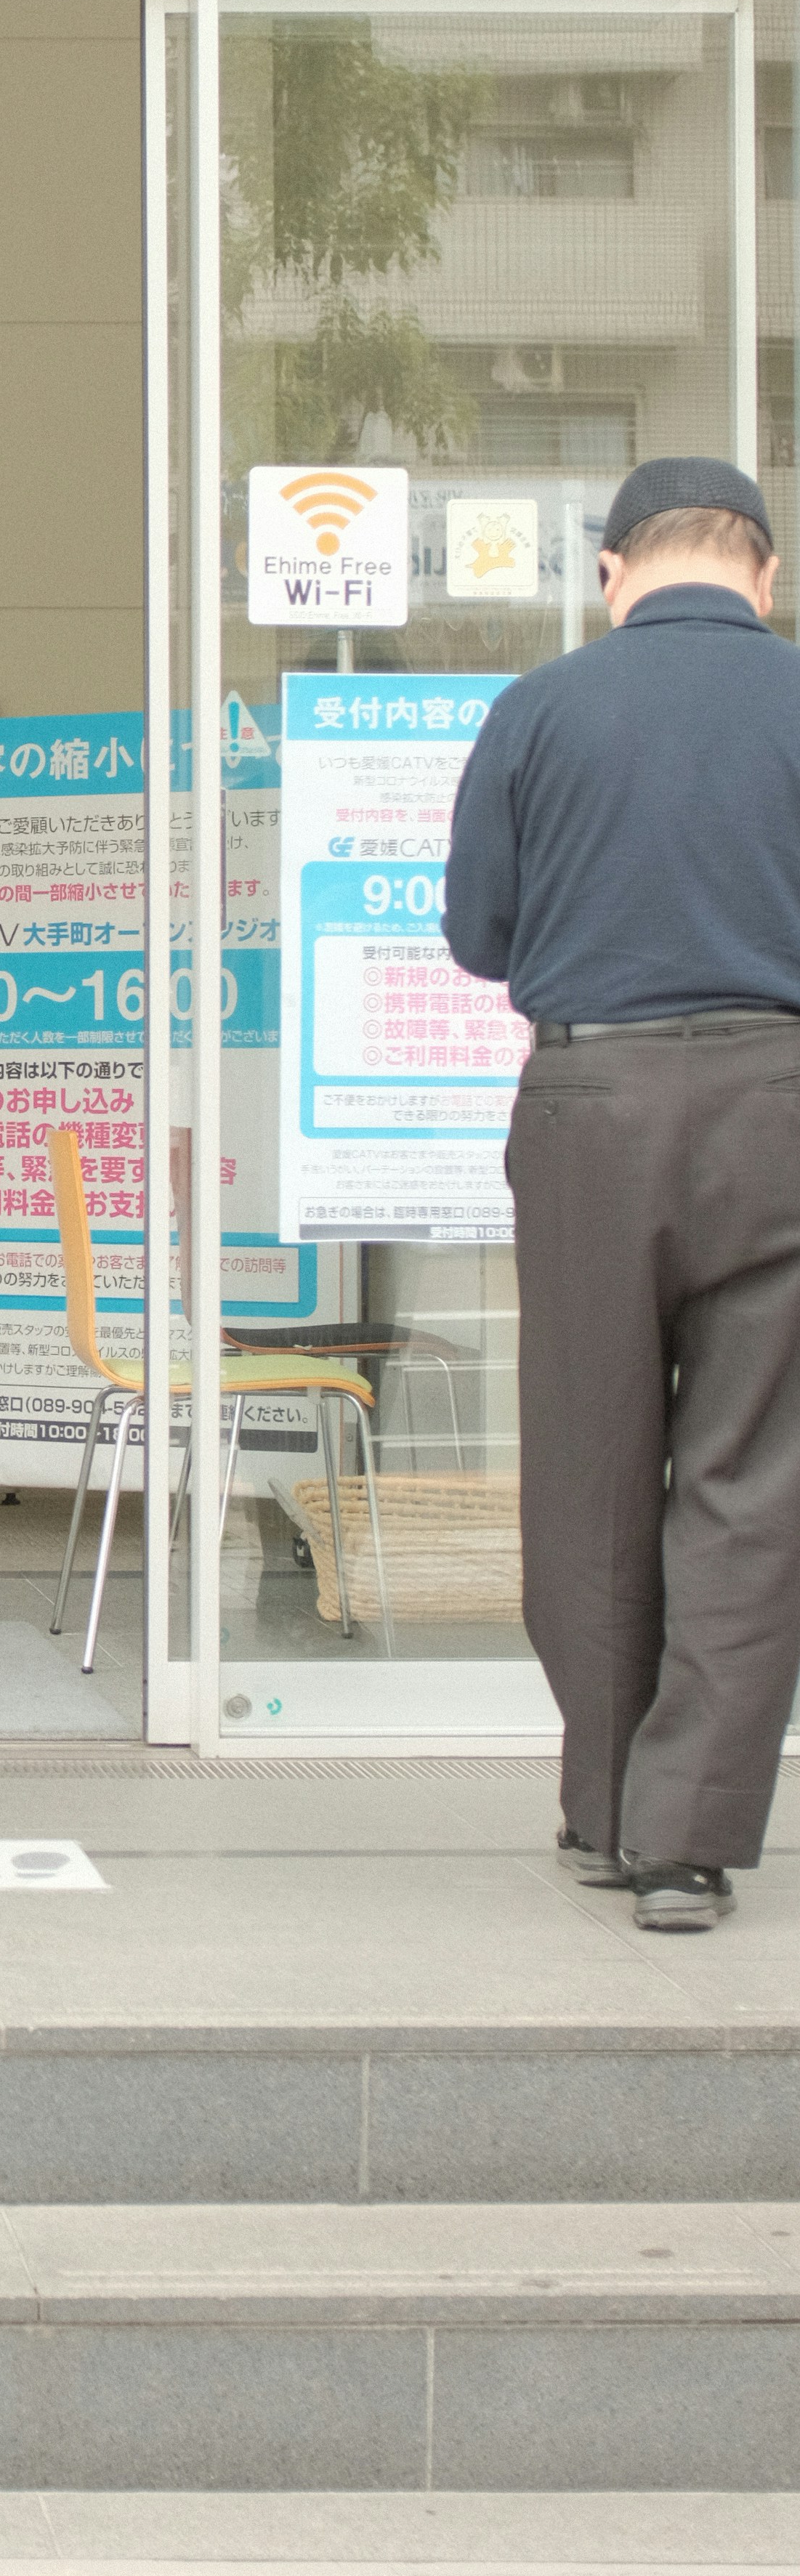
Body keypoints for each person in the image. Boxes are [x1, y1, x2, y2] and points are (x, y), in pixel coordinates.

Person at [443, 455, 800, 1928]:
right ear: (761, 572)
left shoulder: (539, 708)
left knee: (587, 1466)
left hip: (587, 1103)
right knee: (750, 1474)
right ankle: (687, 1839)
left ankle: (600, 1805)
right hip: (780, 1102)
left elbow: (475, 932)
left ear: (608, 571)